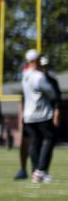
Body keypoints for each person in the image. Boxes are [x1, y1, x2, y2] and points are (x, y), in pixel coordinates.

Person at [20, 50, 57, 183]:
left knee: (35, 142)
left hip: (28, 115)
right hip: (41, 114)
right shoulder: (38, 76)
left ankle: (35, 171)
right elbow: (51, 93)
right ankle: (41, 170)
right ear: (35, 60)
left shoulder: (24, 75)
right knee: (49, 139)